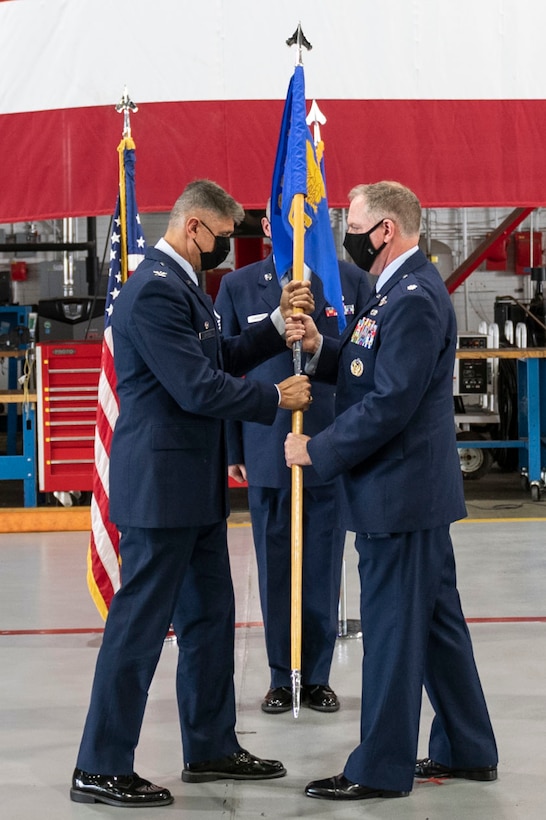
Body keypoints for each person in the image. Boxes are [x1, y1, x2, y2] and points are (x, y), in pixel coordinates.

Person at [70, 179, 314, 809]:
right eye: (224, 238)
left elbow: (219, 353)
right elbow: (194, 387)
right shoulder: (154, 290)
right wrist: (273, 398)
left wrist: (273, 328)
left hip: (192, 486)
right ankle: (99, 765)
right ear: (195, 226)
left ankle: (209, 746)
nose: (228, 251)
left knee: (210, 620)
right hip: (159, 487)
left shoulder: (182, 286)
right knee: (139, 628)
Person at [284, 181, 498, 801]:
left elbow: (389, 404)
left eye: (351, 222)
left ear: (384, 230)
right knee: (434, 627)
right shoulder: (396, 290)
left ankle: (378, 768)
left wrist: (316, 450)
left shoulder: (413, 297)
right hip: (408, 493)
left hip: (399, 495)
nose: (343, 233)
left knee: (392, 634)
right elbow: (365, 367)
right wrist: (324, 349)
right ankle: (467, 748)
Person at [214, 210, 370, 714]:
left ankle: (318, 675)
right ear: (266, 230)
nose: (300, 232)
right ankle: (284, 675)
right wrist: (233, 449)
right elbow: (226, 372)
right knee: (275, 565)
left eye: (311, 222)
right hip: (265, 446)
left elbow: (367, 366)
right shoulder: (239, 287)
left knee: (322, 565)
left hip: (328, 444)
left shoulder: (352, 283)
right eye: (286, 222)